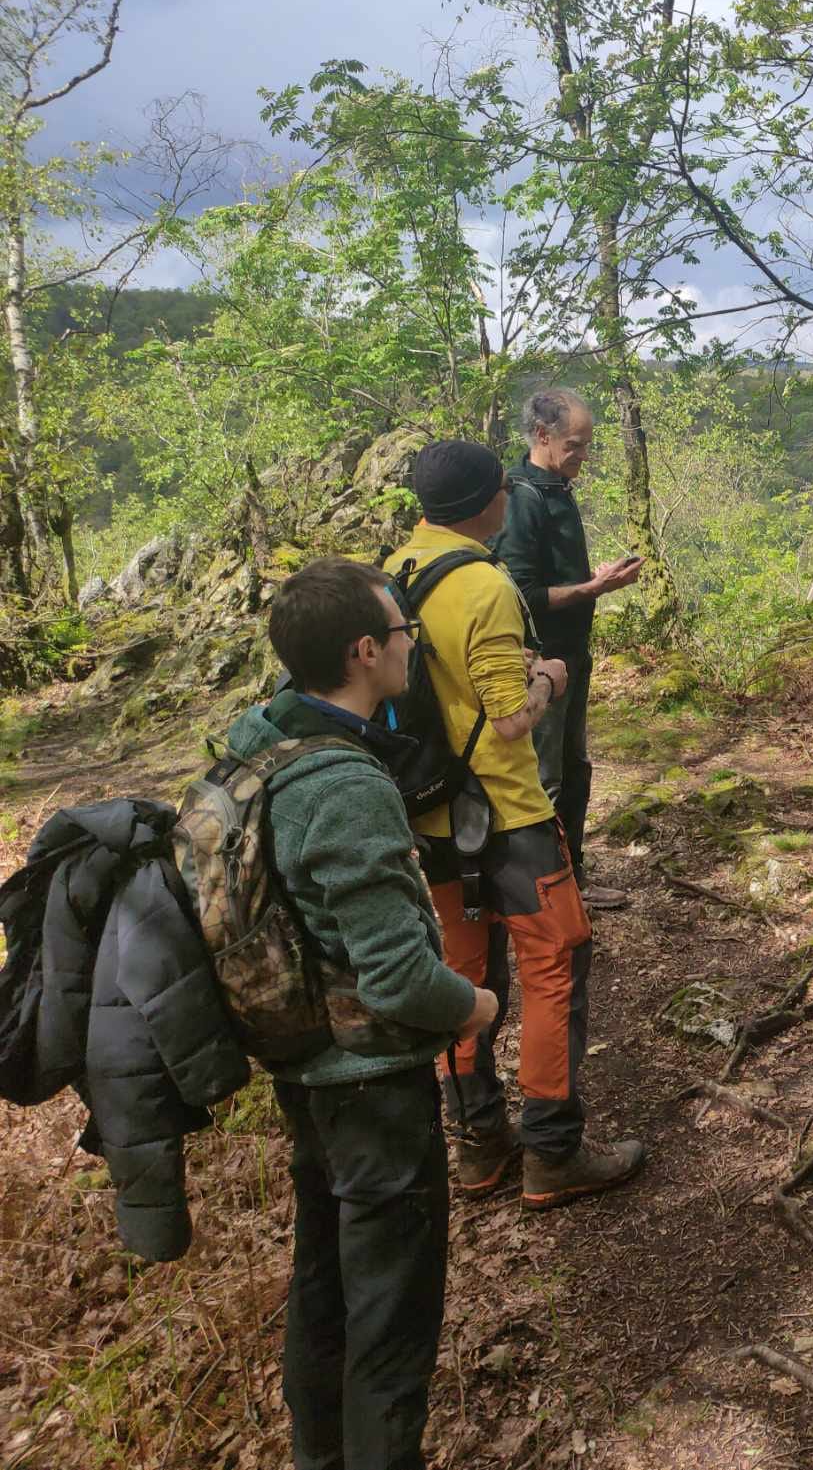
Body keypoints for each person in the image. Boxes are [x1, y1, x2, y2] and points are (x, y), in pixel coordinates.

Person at [235, 556, 497, 1470]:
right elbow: (397, 977)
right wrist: (476, 1002)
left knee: (324, 1288)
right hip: (373, 1086)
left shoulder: (257, 742)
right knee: (390, 1318)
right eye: (401, 635)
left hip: (304, 1068)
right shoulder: (344, 787)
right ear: (361, 652)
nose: (409, 648)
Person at [387, 439, 647, 1210]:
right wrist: (548, 676)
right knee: (555, 962)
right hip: (508, 817)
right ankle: (554, 1150)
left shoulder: (395, 573)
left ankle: (477, 1143)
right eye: (502, 486)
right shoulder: (485, 586)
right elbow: (508, 720)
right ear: (486, 501)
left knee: (460, 978)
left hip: (432, 818)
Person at [492, 388, 643, 910]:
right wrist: (592, 589)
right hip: (541, 662)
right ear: (543, 436)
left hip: (573, 653)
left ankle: (570, 877)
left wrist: (592, 581)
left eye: (587, 445)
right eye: (575, 445)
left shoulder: (556, 487)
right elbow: (524, 594)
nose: (584, 455)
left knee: (575, 768)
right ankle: (545, 892)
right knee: (546, 777)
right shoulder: (521, 498)